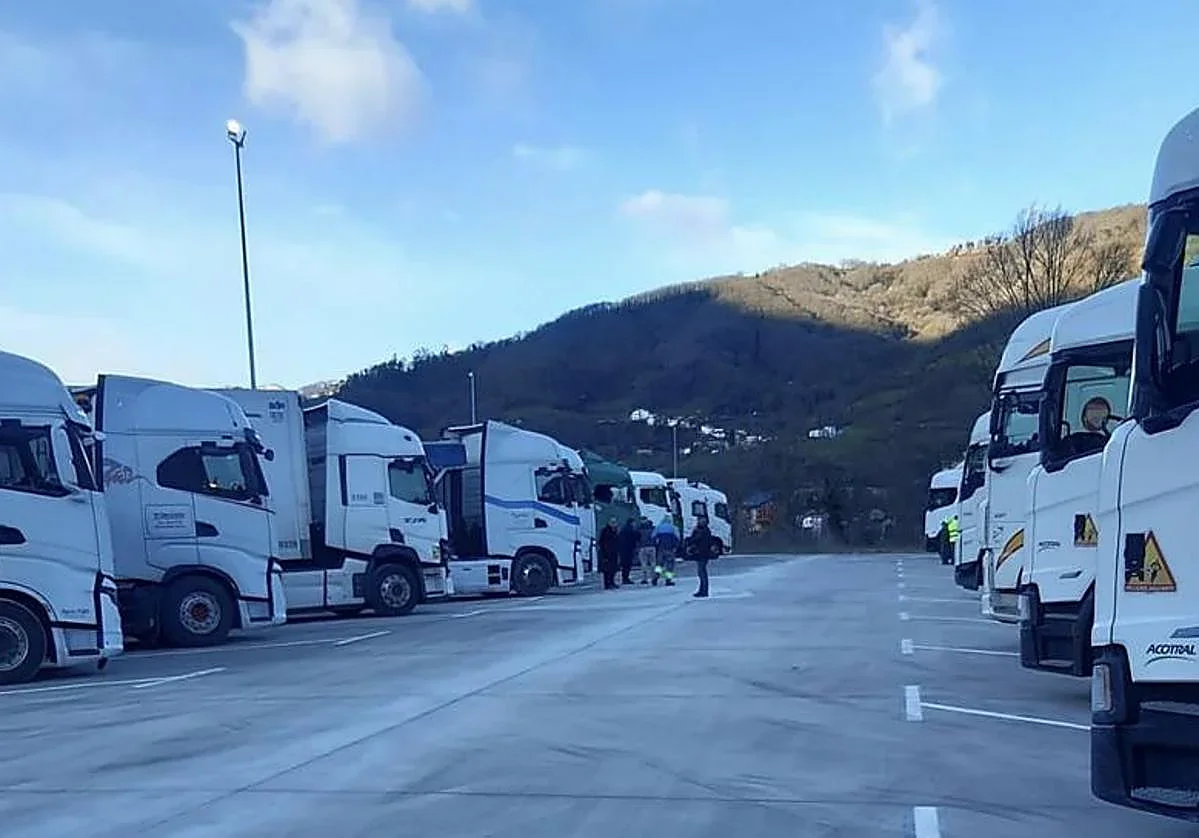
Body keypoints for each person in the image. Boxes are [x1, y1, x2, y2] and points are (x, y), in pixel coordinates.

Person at [686, 516, 718, 598]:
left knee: (702, 572)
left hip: (702, 553)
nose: (699, 522)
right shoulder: (704, 530)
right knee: (701, 573)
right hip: (701, 553)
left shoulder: (702, 531)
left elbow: (697, 540)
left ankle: (704, 591)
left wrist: (691, 542)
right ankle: (702, 590)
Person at [651, 516, 680, 586]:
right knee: (670, 566)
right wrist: (676, 547)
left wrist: (657, 546)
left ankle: (655, 578)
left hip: (661, 549)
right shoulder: (673, 528)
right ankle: (668, 580)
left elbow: (653, 537)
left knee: (659, 565)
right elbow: (677, 538)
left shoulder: (658, 527)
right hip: (670, 549)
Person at [598, 518, 620, 589]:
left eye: (615, 522)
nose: (614, 524)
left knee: (613, 569)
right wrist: (604, 553)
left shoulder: (615, 531)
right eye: (612, 522)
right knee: (607, 569)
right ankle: (607, 583)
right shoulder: (605, 531)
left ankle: (612, 582)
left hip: (614, 552)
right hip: (606, 552)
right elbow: (602, 542)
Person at [618, 517, 639, 585]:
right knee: (627, 565)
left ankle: (624, 578)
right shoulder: (630, 530)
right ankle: (625, 578)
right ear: (631, 523)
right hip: (628, 549)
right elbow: (635, 537)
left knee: (624, 564)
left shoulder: (623, 529)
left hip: (622, 549)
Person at [636, 516, 656, 584]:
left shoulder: (639, 529)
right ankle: (653, 577)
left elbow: (637, 539)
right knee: (653, 563)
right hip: (652, 547)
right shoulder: (653, 528)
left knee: (643, 564)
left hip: (642, 547)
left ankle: (644, 578)